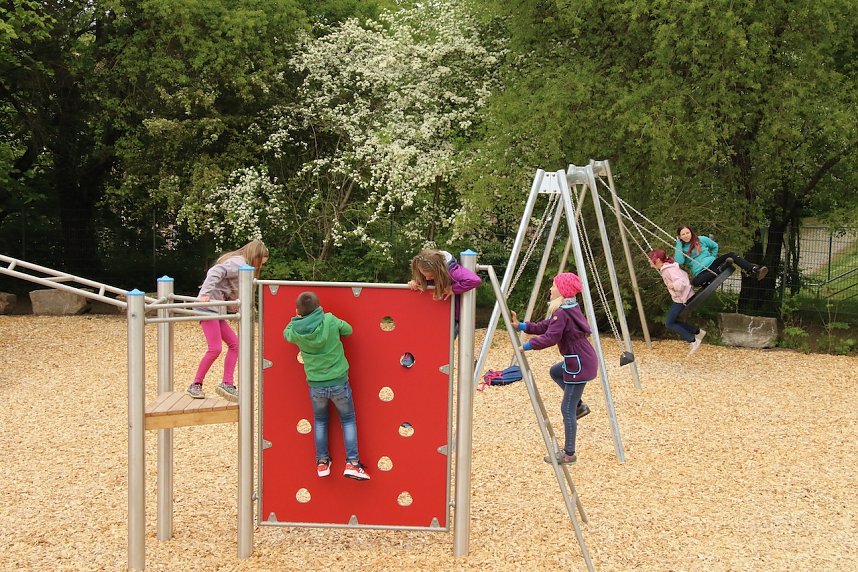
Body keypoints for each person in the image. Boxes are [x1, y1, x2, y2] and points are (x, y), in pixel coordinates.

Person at [510, 272, 597, 465]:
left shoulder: (563, 312)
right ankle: (579, 406)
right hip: (581, 360)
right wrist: (522, 326)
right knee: (555, 372)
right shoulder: (568, 308)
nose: (551, 289)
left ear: (562, 290)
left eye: (554, 286)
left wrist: (526, 346)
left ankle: (569, 454)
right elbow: (547, 326)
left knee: (566, 409)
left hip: (579, 365)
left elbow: (551, 337)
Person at [283, 291, 370, 481]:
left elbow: (286, 334)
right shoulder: (330, 320)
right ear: (318, 308)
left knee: (320, 421)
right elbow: (348, 330)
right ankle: (353, 463)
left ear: (298, 311)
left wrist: (295, 319)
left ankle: (322, 462)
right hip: (339, 382)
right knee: (348, 420)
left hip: (316, 385)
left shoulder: (296, 331)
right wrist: (329, 319)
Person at [187, 239, 268, 402]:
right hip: (208, 308)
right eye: (261, 262)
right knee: (215, 348)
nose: (261, 266)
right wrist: (205, 293)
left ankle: (227, 383)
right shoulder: (238, 263)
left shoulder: (242, 266)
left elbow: (228, 289)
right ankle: (195, 384)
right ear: (255, 256)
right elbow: (215, 271)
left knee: (235, 344)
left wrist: (235, 307)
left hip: (217, 309)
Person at [407, 248, 482, 335]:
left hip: (451, 316)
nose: (427, 279)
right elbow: (425, 282)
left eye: (431, 276)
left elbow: (474, 280)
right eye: (424, 276)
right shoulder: (426, 268)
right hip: (433, 313)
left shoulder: (453, 272)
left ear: (440, 271)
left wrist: (452, 289)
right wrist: (415, 282)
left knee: (444, 341)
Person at [649, 248, 707, 355]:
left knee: (669, 323)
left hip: (684, 298)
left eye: (650, 259)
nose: (649, 261)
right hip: (683, 297)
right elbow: (683, 275)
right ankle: (697, 332)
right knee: (673, 321)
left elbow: (682, 283)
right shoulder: (668, 267)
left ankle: (693, 341)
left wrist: (672, 285)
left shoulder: (668, 270)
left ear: (657, 260)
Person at [674, 225, 768, 288]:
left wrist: (712, 257)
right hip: (701, 272)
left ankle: (754, 269)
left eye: (687, 233)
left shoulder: (701, 239)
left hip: (712, 263)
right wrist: (678, 244)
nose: (686, 236)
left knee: (731, 255)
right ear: (680, 236)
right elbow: (679, 261)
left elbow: (715, 246)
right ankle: (720, 269)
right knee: (695, 282)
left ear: (691, 232)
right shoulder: (681, 249)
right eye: (683, 234)